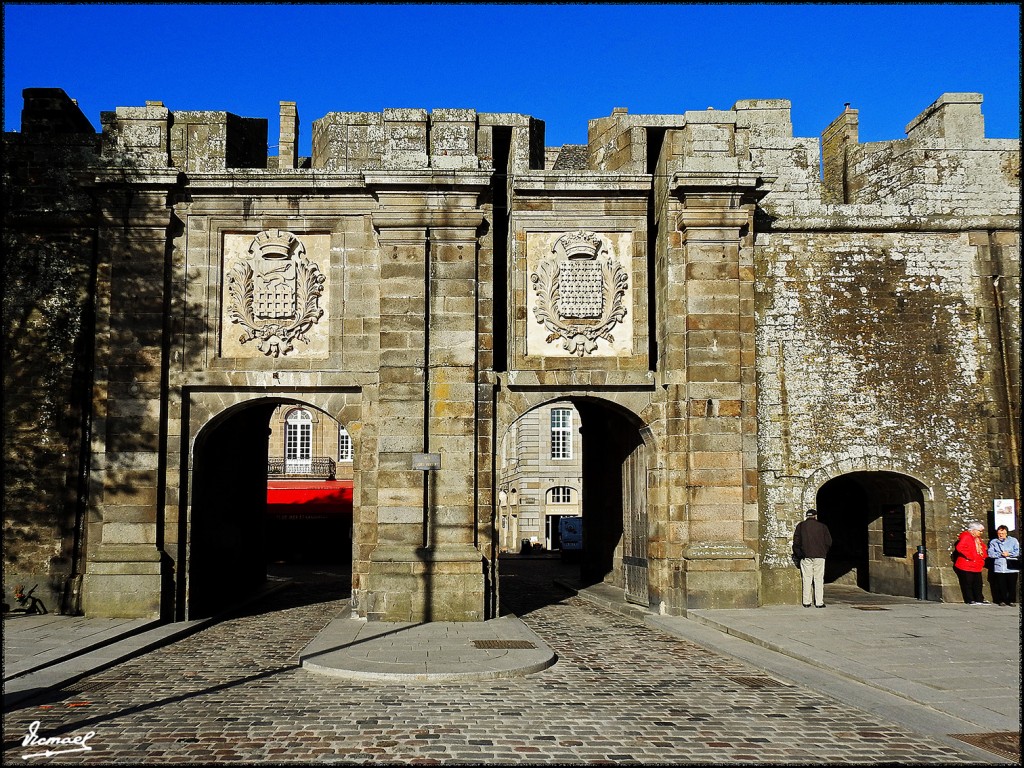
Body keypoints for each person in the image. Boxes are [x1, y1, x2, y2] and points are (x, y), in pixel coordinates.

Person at [792, 509, 832, 608]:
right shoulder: (822, 527)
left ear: (807, 516)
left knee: (807, 578)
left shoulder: (801, 526)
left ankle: (806, 602)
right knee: (818, 578)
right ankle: (819, 602)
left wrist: (800, 554)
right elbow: (829, 542)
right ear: (815, 516)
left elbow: (796, 543)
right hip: (820, 556)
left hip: (806, 556)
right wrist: (823, 551)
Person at [952, 521, 989, 604]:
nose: (981, 533)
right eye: (980, 531)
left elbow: (982, 548)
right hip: (966, 564)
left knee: (978, 583)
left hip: (976, 565)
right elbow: (960, 547)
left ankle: (979, 599)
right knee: (967, 583)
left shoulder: (977, 539)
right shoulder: (966, 536)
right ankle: (970, 599)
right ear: (973, 530)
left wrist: (983, 556)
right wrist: (971, 557)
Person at [987, 525, 1019, 606]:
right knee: (1001, 585)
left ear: (1006, 533)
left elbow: (1018, 552)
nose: (1001, 535)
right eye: (999, 533)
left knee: (1012, 584)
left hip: (1012, 565)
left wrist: (1009, 554)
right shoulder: (993, 542)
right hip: (1000, 566)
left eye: (1003, 533)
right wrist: (1000, 554)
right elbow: (990, 554)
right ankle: (1002, 600)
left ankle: (1011, 600)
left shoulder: (1013, 541)